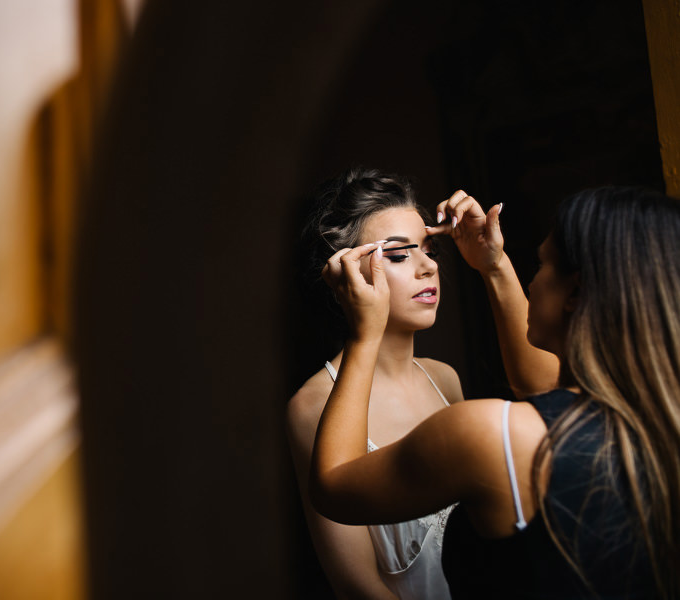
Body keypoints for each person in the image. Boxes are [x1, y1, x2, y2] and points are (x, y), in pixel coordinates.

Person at [311, 186, 678, 598]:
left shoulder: (492, 432)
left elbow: (331, 486)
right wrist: (494, 264)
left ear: (574, 293)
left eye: (540, 264)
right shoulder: (652, 422)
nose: (532, 281)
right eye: (398, 254)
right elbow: (541, 389)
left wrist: (363, 337)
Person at [287, 168, 463, 600]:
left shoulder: (444, 379)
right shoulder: (312, 405)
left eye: (429, 249)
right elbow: (356, 585)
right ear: (343, 274)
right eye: (400, 255)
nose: (428, 268)